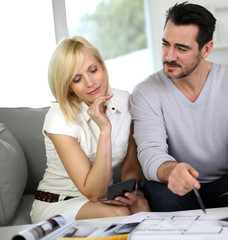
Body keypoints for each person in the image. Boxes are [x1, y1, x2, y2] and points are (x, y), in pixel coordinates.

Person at [130, 2, 228, 212]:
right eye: (166, 44)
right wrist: (170, 171)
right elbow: (150, 152)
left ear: (206, 49)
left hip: (225, 185)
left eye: (181, 48)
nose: (169, 56)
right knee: (160, 192)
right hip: (178, 188)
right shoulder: (145, 91)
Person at [30, 36, 149, 223]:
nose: (90, 82)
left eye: (93, 70)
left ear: (102, 66)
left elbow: (131, 165)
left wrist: (129, 192)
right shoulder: (58, 117)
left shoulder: (125, 101)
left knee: (140, 206)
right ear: (68, 87)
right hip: (59, 201)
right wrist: (104, 129)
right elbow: (94, 192)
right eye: (77, 79)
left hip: (101, 200)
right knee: (119, 214)